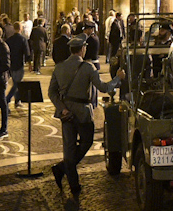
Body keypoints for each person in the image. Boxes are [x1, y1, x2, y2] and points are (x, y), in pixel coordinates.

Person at [48, 34, 121, 196]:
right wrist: (117, 79)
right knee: (87, 141)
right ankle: (62, 170)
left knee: (69, 148)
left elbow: (51, 92)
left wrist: (62, 108)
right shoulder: (88, 68)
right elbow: (103, 87)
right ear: (82, 49)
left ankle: (72, 182)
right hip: (83, 112)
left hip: (66, 112)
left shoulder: (59, 67)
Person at [5, 22, 29, 108]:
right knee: (17, 84)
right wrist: (29, 63)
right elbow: (27, 52)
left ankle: (17, 100)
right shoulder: (23, 39)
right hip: (19, 64)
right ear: (21, 29)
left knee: (16, 83)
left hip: (11, 64)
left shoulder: (9, 40)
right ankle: (7, 99)